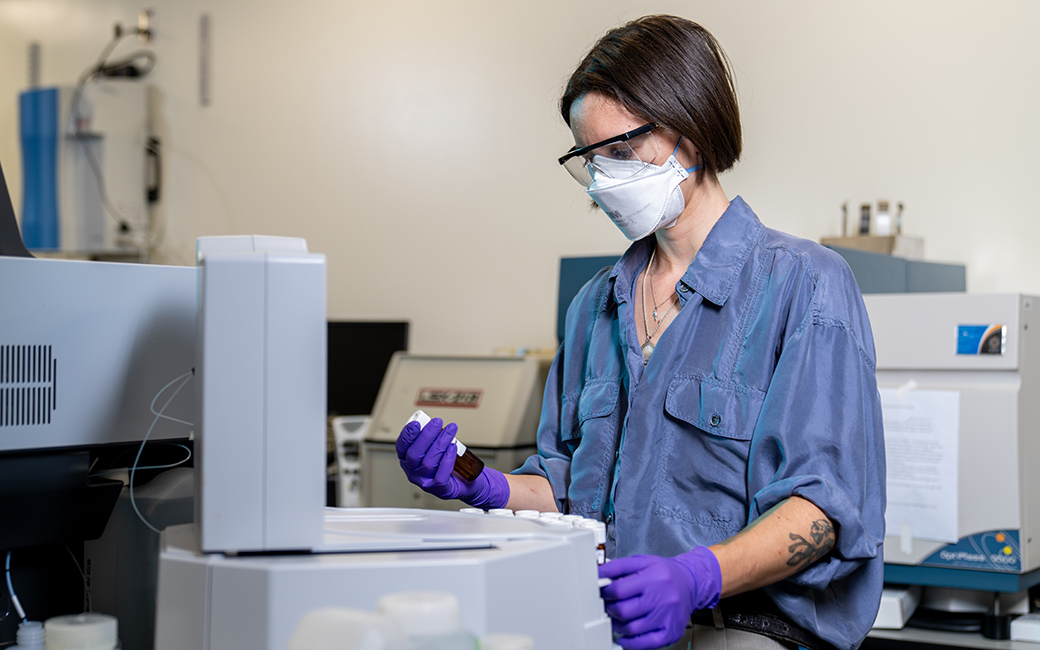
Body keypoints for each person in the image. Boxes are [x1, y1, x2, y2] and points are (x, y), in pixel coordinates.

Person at [395, 14, 885, 650]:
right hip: (608, 626)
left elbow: (824, 512)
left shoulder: (805, 286)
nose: (604, 184)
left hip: (748, 632)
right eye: (590, 162)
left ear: (692, 128)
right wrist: (481, 484)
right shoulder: (594, 307)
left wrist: (695, 576)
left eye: (620, 155)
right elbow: (570, 489)